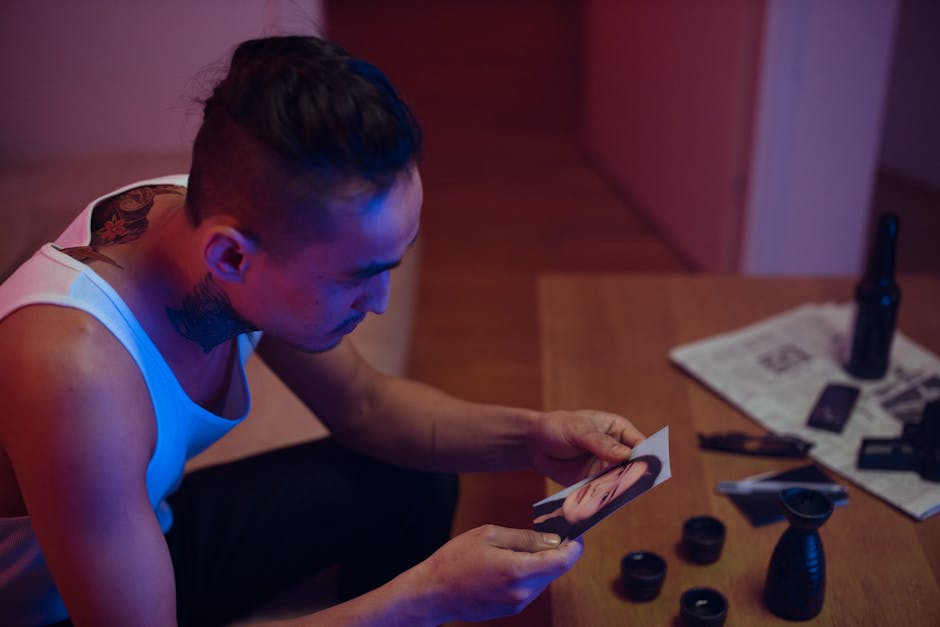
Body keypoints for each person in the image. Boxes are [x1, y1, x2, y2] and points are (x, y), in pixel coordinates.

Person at [0, 35, 645, 626]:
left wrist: (534, 437)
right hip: (40, 610)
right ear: (230, 258)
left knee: (415, 479)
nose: (382, 302)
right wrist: (422, 597)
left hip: (145, 530)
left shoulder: (215, 218)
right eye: (355, 277)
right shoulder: (76, 375)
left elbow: (364, 404)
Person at [532, 455, 662, 540]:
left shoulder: (553, 541)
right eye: (620, 472)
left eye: (606, 496)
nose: (599, 486)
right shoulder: (548, 505)